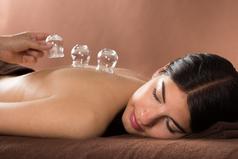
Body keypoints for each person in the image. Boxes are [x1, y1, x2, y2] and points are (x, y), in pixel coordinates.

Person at [0, 32, 237, 139]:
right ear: (160, 70)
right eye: (157, 95)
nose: (145, 118)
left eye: (171, 125)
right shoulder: (83, 119)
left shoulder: (135, 82)